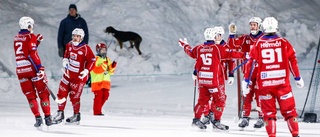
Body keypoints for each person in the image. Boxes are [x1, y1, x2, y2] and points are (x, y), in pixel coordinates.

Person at [242, 17, 304, 137]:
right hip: (282, 84)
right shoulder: (283, 42)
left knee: (268, 113)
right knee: (290, 111)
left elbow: (251, 63)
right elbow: (292, 61)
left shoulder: (258, 44)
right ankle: (295, 134)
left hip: (265, 85)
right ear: (276, 27)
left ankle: (272, 135)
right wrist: (297, 77)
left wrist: (246, 80)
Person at [178, 27, 244, 130]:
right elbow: (231, 54)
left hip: (203, 80)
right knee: (220, 100)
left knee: (202, 101)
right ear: (214, 36)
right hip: (214, 81)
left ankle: (196, 120)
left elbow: (191, 52)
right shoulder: (218, 48)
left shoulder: (199, 48)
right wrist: (247, 55)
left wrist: (184, 45)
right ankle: (216, 121)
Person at [14, 16, 54, 127]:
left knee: (30, 96)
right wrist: (40, 68)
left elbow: (25, 50)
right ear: (28, 25)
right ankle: (48, 117)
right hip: (32, 69)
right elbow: (32, 53)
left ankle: (37, 118)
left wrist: (37, 42)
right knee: (43, 93)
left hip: (21, 70)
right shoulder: (30, 36)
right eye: (31, 25)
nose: (32, 28)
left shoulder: (17, 37)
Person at [228, 17, 265, 129]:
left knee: (260, 95)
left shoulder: (264, 38)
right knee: (247, 94)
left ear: (259, 26)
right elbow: (232, 45)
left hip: (261, 72)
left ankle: (261, 117)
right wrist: (231, 34)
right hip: (248, 72)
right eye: (251, 24)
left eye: (255, 24)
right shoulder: (245, 38)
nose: (252, 27)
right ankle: (245, 117)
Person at [53, 28, 96, 124]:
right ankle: (60, 113)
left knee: (74, 97)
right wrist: (65, 60)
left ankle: (76, 115)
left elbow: (92, 60)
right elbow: (67, 54)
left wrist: (87, 70)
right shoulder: (69, 44)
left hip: (79, 78)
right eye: (74, 36)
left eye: (77, 36)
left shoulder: (85, 48)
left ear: (81, 38)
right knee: (61, 93)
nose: (75, 38)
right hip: (68, 74)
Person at [90, 43, 117, 116]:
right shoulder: (95, 59)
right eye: (102, 50)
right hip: (97, 81)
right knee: (98, 96)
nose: (104, 51)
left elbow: (110, 72)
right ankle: (97, 112)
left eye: (105, 50)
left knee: (105, 95)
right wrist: (104, 65)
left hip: (105, 82)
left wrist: (112, 67)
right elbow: (96, 70)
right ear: (98, 50)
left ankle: (98, 108)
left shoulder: (107, 59)